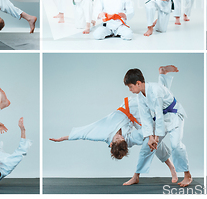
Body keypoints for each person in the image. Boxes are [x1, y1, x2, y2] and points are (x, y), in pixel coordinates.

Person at [50, 66, 180, 186]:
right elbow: (146, 137)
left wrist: (63, 138)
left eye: (118, 138)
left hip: (130, 107)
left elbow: (84, 133)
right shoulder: (127, 141)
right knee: (151, 143)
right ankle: (170, 167)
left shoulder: (101, 134)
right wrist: (153, 137)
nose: (120, 136)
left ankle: (163, 75)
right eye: (121, 138)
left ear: (111, 143)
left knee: (155, 96)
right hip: (136, 119)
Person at [125, 67, 192, 187]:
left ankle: (187, 175)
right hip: (161, 115)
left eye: (130, 86)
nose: (130, 90)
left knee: (176, 145)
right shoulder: (140, 96)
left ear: (138, 83)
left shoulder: (155, 92)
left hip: (174, 114)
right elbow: (145, 117)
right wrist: (150, 137)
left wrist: (155, 137)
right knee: (147, 145)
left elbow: (159, 116)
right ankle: (136, 176)